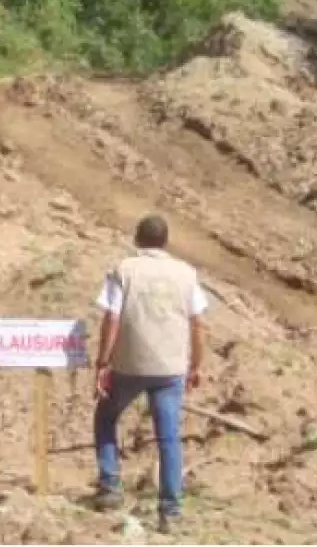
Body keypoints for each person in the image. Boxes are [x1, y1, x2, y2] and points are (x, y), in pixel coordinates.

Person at [90, 213, 207, 533]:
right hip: (171, 368)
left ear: (137, 240)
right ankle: (170, 510)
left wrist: (103, 363)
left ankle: (111, 486)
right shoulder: (186, 273)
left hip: (131, 364)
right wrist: (196, 364)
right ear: (165, 241)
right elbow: (198, 322)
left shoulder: (124, 270)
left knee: (105, 417)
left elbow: (111, 319)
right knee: (169, 437)